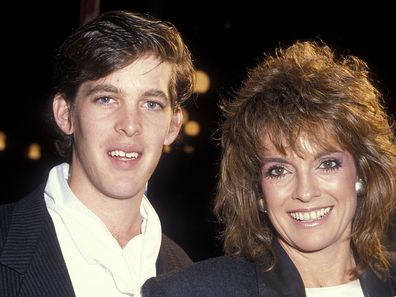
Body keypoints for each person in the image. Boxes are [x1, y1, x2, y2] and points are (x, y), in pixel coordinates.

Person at [142, 40, 396, 296]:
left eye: (327, 164)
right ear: (258, 191)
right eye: (279, 170)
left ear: (362, 173)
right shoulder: (188, 292)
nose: (305, 192)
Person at [0, 10, 195, 297]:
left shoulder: (191, 274)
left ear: (173, 125)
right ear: (66, 114)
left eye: (151, 104)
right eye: (106, 99)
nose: (130, 125)